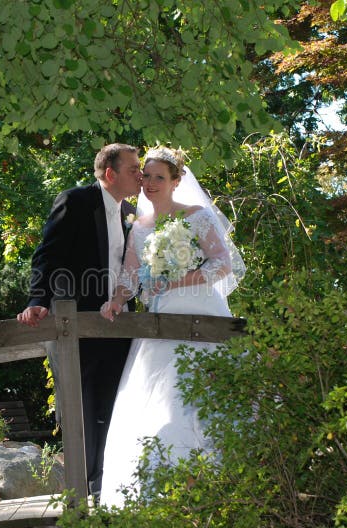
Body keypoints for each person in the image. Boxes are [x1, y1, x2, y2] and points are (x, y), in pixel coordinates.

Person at [98, 145, 245, 508]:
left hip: (203, 313)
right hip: (160, 322)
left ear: (177, 181)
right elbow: (131, 274)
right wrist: (117, 299)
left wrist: (177, 280)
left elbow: (223, 265)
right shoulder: (140, 227)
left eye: (158, 177)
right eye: (145, 176)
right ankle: (162, 491)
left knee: (205, 395)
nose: (149, 183)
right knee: (163, 399)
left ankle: (218, 483)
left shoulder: (196, 216)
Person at [17, 143, 143, 496]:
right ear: (110, 173)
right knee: (82, 404)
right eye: (133, 168)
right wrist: (38, 299)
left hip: (120, 325)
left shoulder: (131, 212)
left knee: (115, 401)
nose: (140, 174)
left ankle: (106, 485)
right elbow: (47, 253)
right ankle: (81, 490)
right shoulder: (75, 201)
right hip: (77, 325)